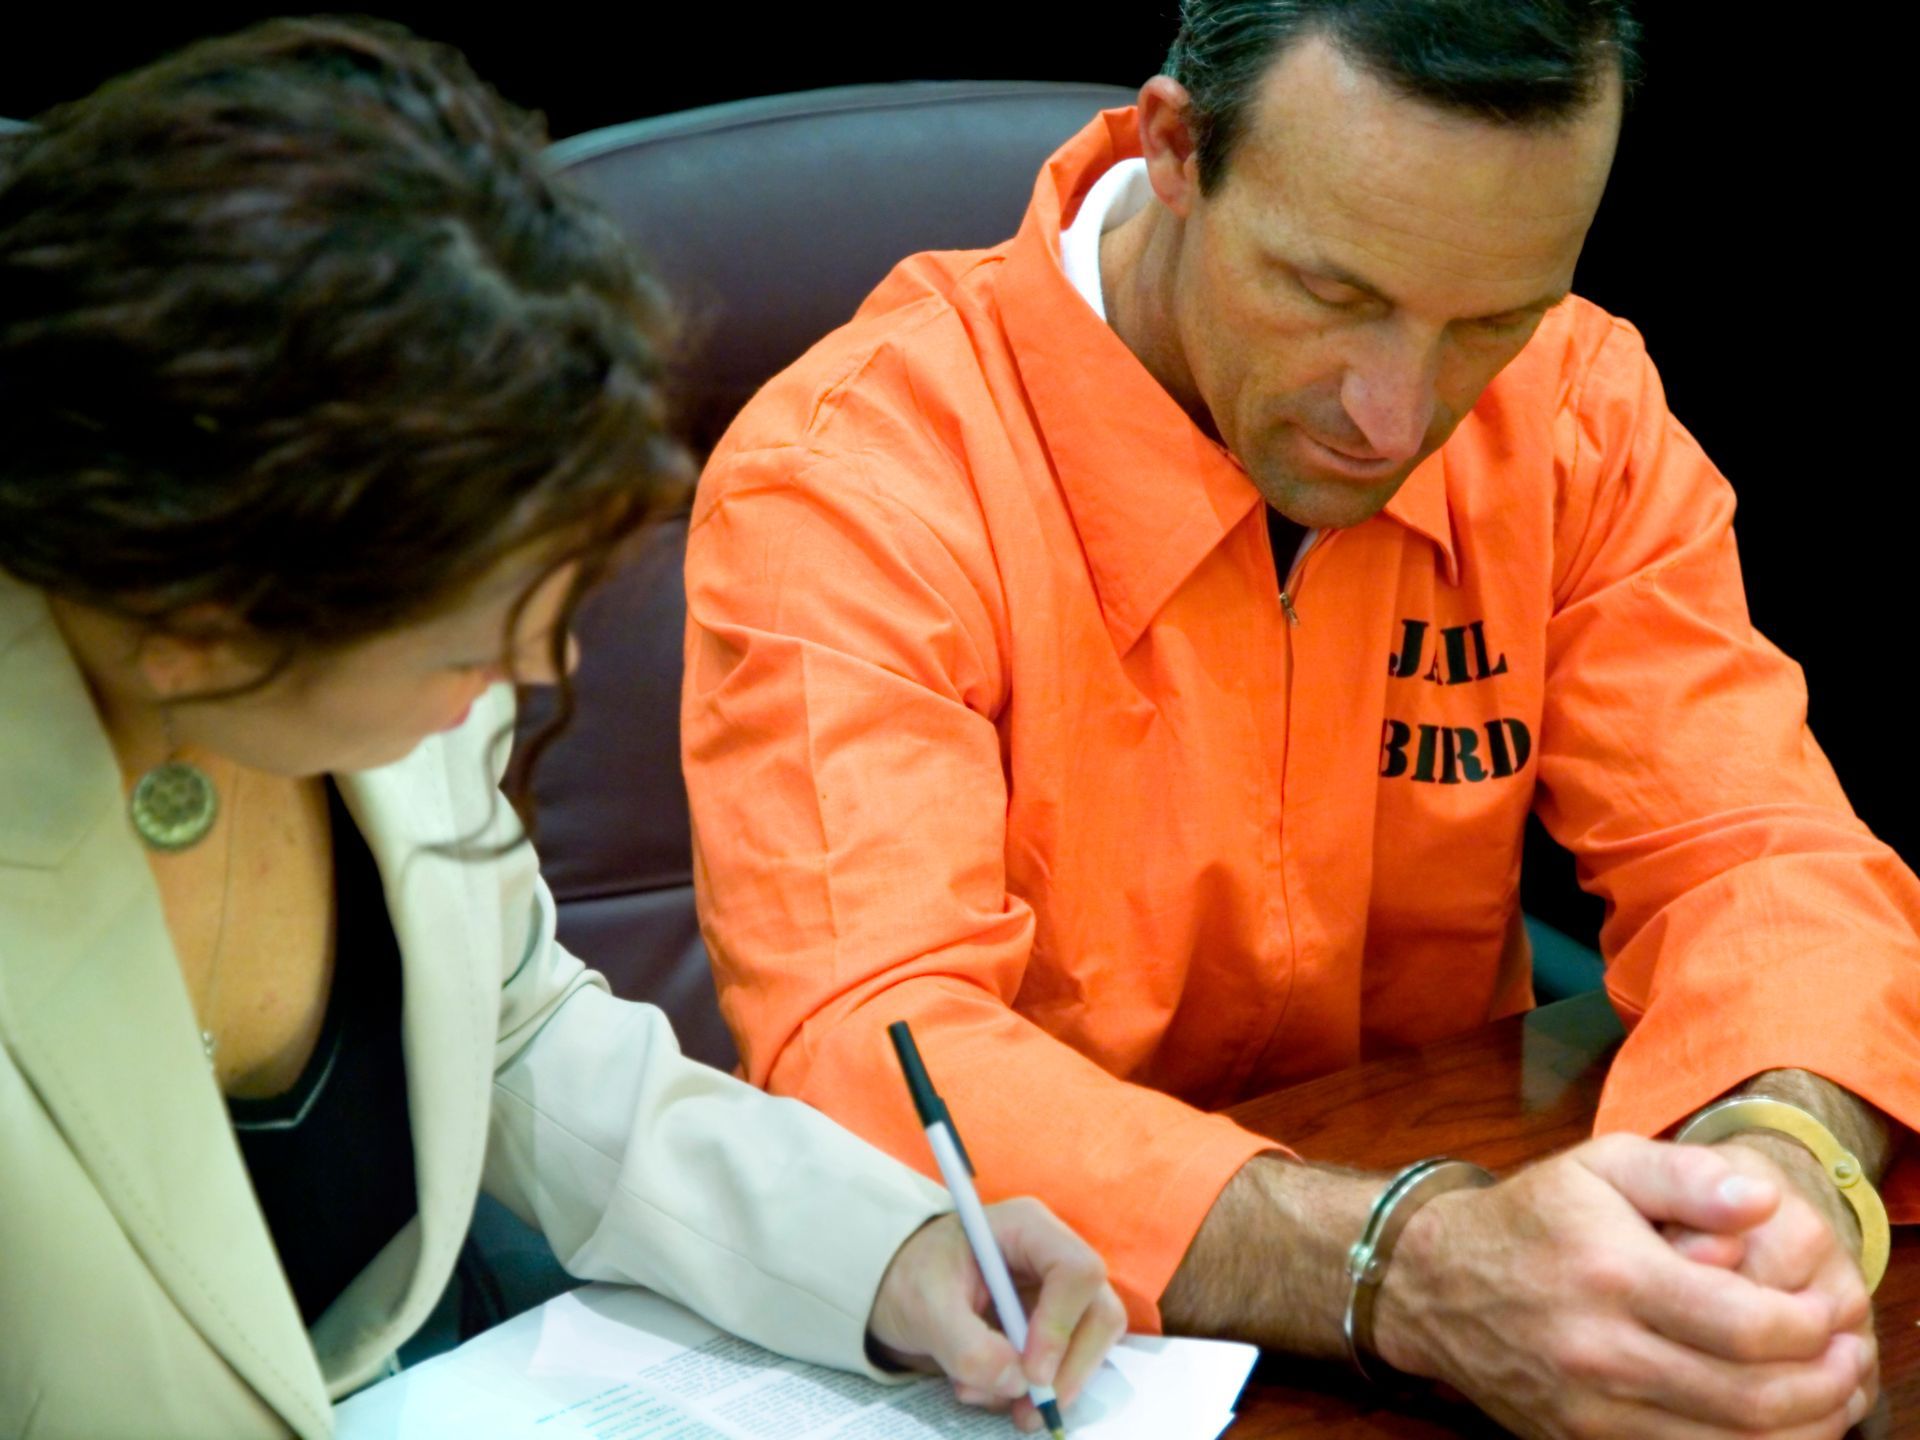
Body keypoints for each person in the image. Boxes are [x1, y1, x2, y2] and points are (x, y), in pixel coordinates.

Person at [681, 2, 1920, 1436]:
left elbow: (1767, 864)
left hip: (1487, 1305)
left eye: (1491, 320)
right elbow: (873, 1046)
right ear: (1175, 150)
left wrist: (1778, 1165)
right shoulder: (851, 479)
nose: (1393, 417)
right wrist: (1406, 1267)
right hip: (1031, 1358)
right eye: (1331, 295)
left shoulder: (1573, 404)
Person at [0, 19, 1127, 1438]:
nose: (542, 666)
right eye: (472, 640)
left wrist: (886, 1252)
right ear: (194, 622)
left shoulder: (369, 642)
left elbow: (519, 1034)